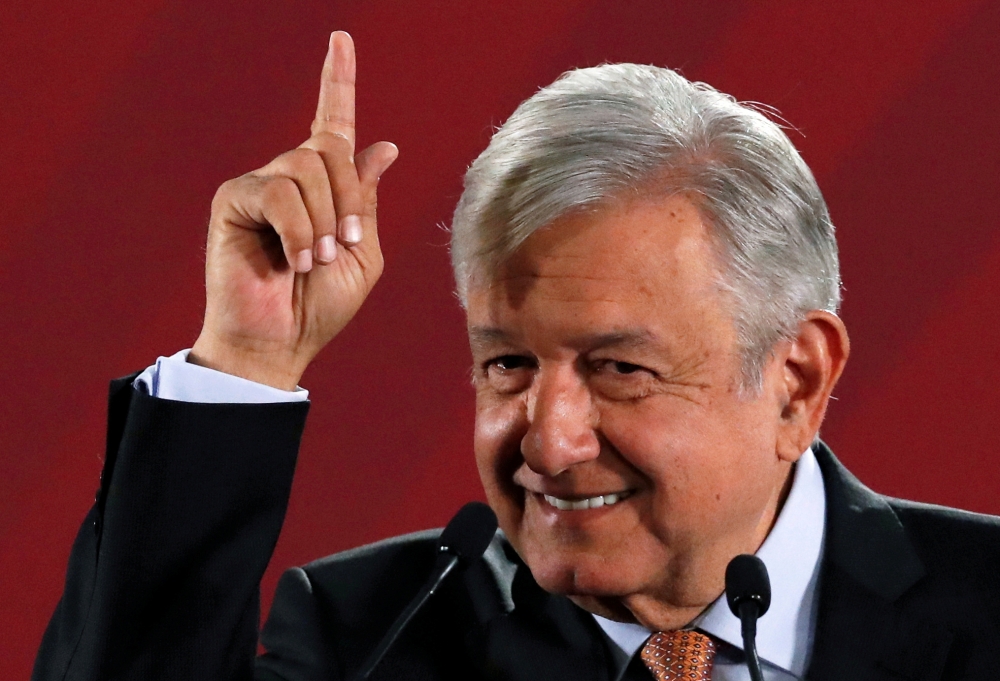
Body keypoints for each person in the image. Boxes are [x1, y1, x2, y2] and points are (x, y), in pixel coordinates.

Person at [33, 31, 1000, 681]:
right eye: (507, 364)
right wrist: (243, 357)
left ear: (796, 381)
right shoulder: (369, 635)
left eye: (620, 368)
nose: (549, 437)